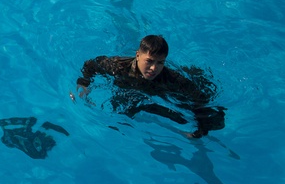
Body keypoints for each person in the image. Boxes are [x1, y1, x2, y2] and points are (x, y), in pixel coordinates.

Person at [73, 34, 225, 138]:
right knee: (122, 112)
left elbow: (200, 99)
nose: (154, 68)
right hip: (130, 88)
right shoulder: (118, 66)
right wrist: (83, 85)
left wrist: (200, 130)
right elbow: (91, 65)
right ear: (138, 55)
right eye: (150, 61)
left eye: (160, 63)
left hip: (156, 93)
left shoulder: (171, 78)